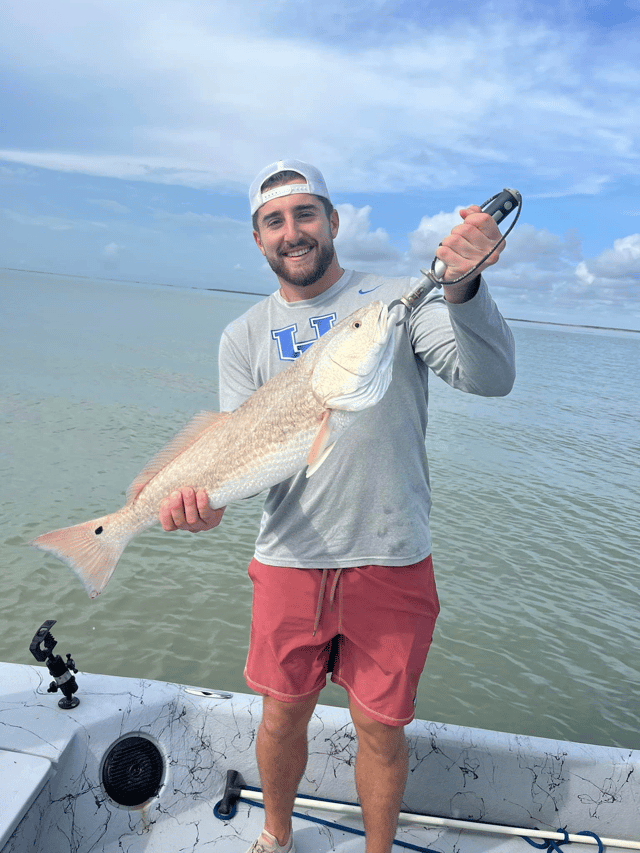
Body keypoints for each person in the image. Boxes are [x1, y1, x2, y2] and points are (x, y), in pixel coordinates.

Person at [159, 159, 516, 853]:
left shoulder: (392, 302)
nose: (292, 232)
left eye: (305, 214)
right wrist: (206, 506)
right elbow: (241, 450)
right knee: (281, 715)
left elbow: (491, 377)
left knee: (382, 727)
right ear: (258, 239)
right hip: (289, 559)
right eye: (275, 221)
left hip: (392, 556)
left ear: (332, 221)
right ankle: (276, 835)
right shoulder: (244, 334)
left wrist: (467, 286)